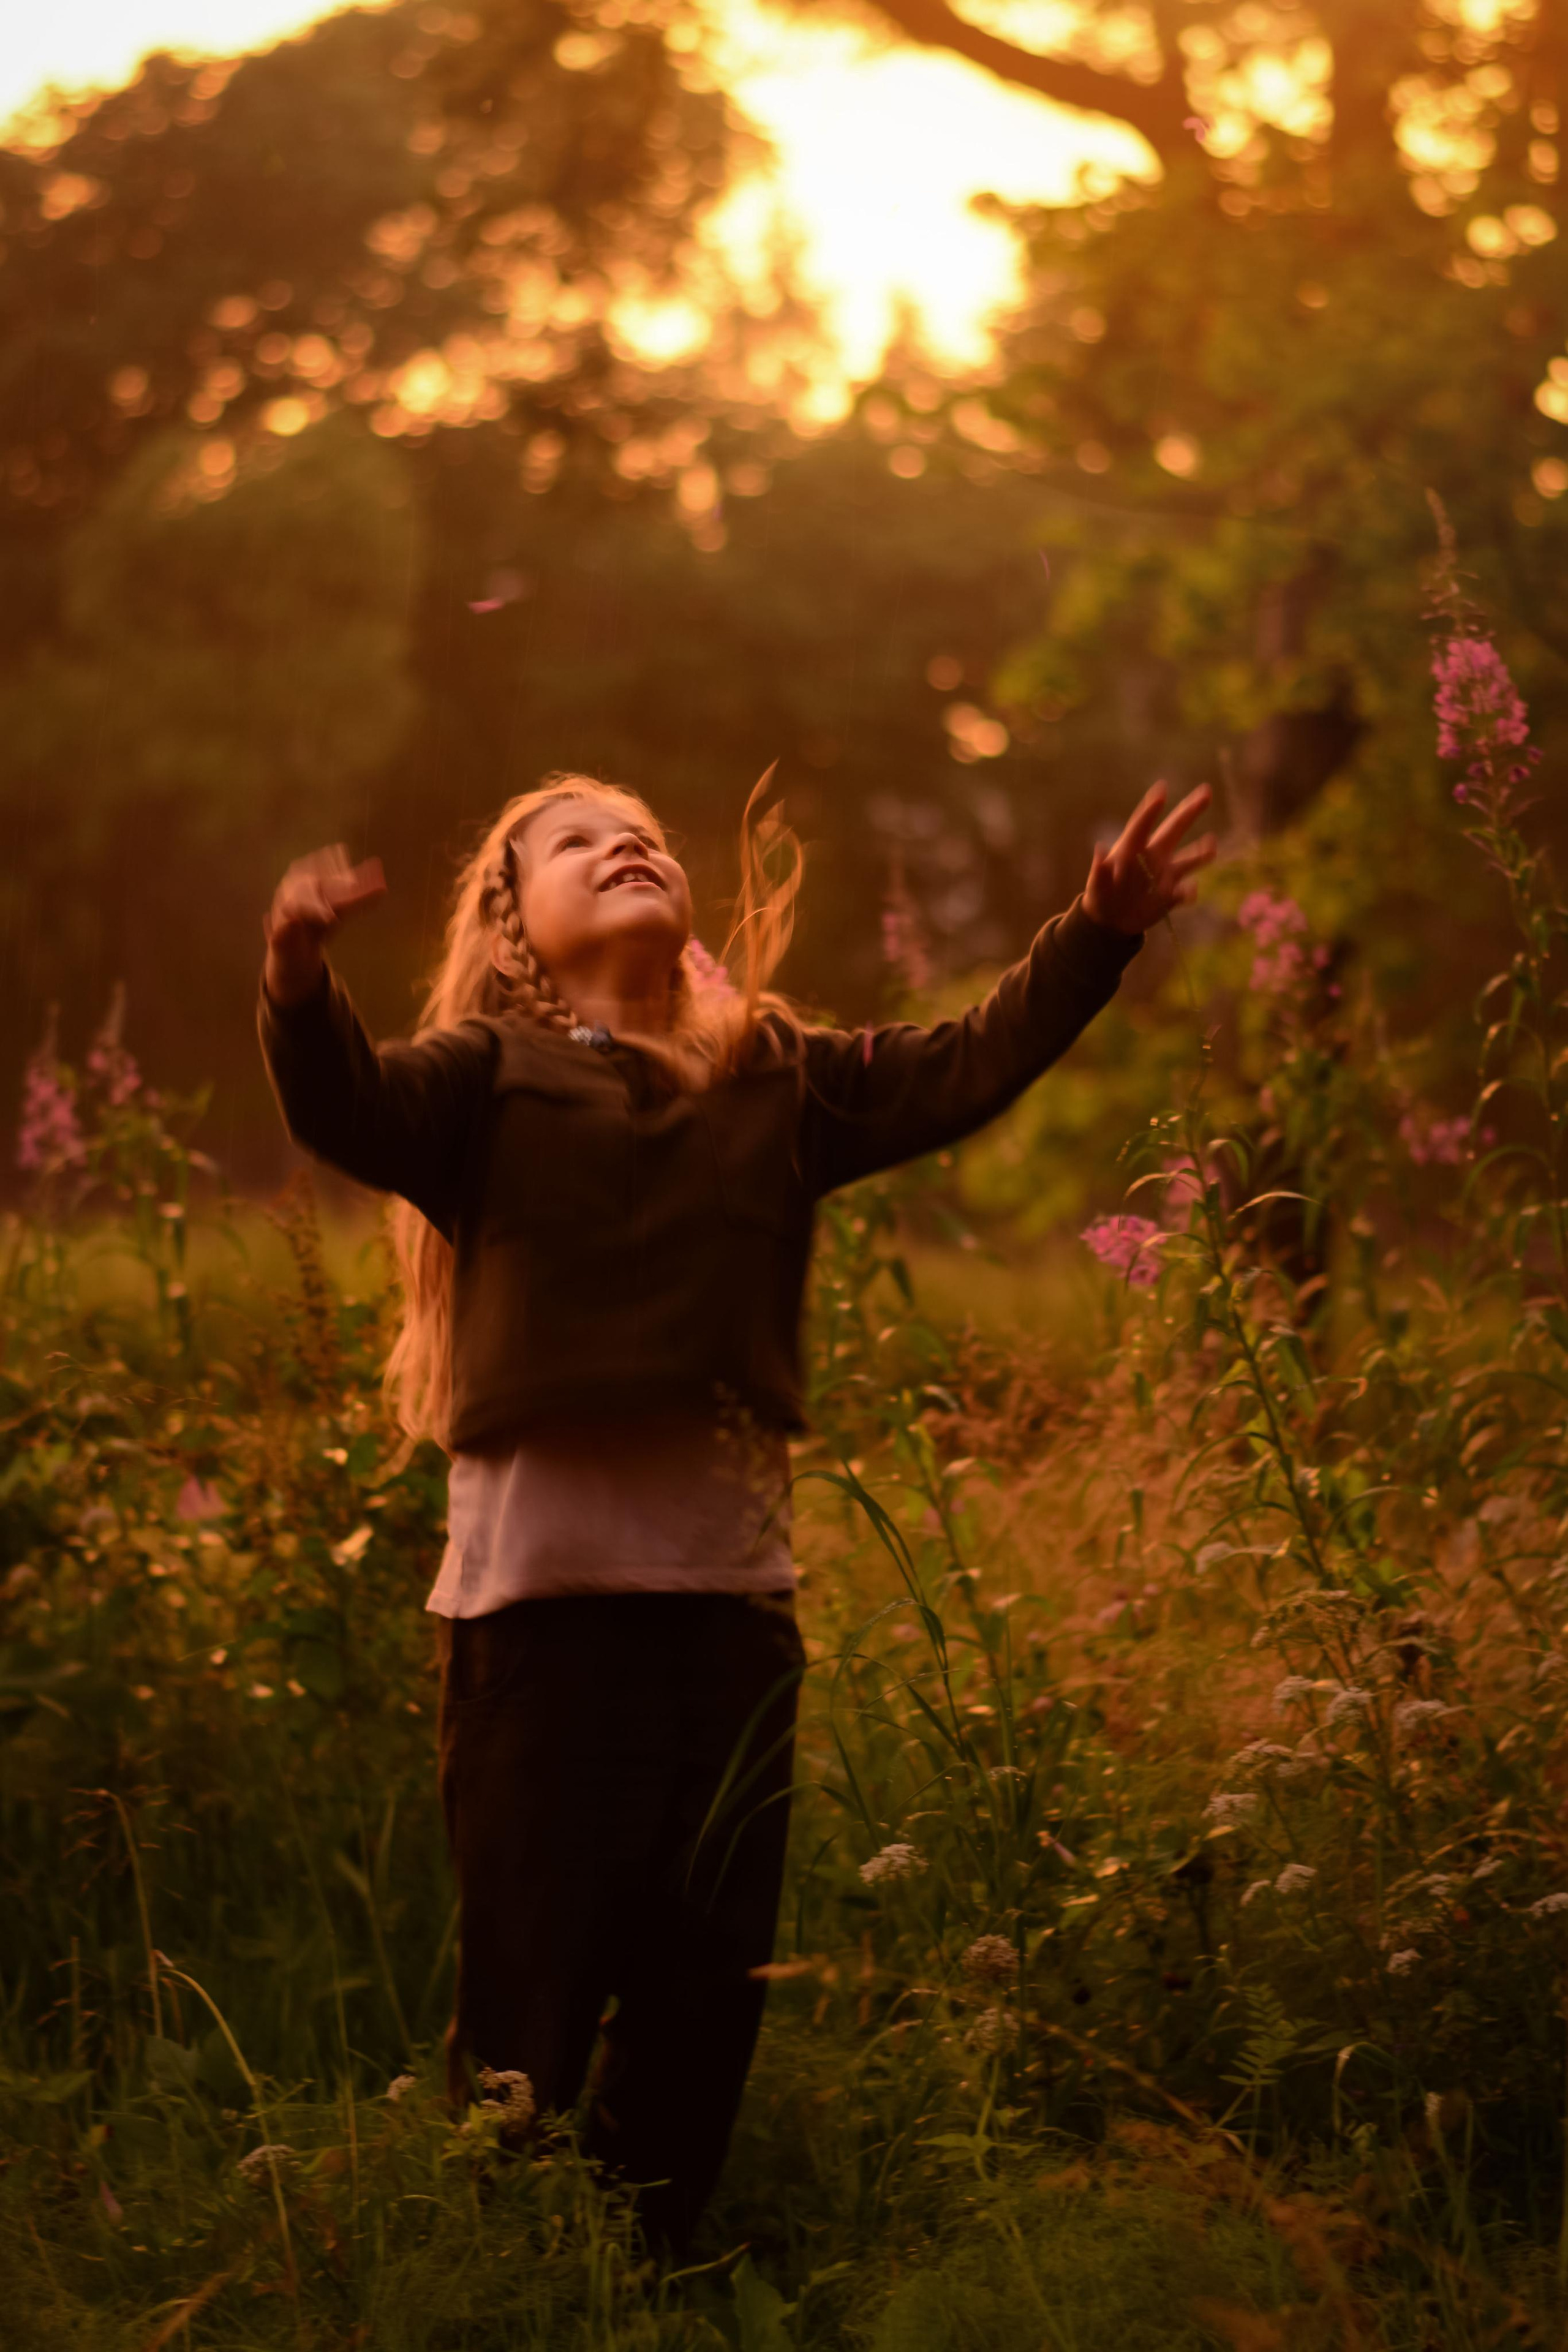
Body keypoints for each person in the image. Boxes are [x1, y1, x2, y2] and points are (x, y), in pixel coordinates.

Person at [257, 767, 1215, 2260]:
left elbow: (967, 1061)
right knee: (526, 2030)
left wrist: (1091, 933)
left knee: (702, 2018)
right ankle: (501, 2294)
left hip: (727, 1638)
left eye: (642, 830)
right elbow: (343, 1103)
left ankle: (646, 2290)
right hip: (535, 1642)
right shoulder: (480, 1078)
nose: (627, 843)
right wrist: (297, 979)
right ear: (516, 928)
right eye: (577, 841)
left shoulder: (774, 1071)